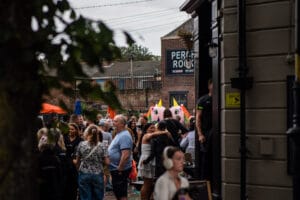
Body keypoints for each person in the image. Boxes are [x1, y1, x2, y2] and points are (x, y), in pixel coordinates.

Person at [74, 125, 109, 200]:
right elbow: (107, 162)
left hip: (84, 173)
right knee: (98, 197)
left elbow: (77, 161)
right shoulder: (102, 146)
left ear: (87, 133)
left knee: (85, 196)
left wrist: (78, 169)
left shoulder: (81, 144)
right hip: (98, 174)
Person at [137, 122, 170, 200]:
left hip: (150, 160)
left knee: (150, 183)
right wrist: (165, 131)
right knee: (147, 184)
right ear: (146, 130)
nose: (153, 129)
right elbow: (152, 135)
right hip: (146, 160)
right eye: (151, 128)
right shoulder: (146, 135)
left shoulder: (153, 138)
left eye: (153, 128)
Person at [108, 114, 133, 200]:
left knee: (121, 193)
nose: (113, 123)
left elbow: (125, 154)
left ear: (122, 124)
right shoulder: (119, 134)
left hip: (120, 169)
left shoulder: (124, 136)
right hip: (116, 168)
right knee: (118, 192)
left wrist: (120, 168)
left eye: (115, 121)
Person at [196, 78, 213, 180]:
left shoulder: (220, 98)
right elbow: (198, 117)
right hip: (206, 134)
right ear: (209, 86)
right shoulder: (202, 100)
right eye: (213, 84)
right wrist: (200, 134)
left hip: (216, 133)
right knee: (206, 159)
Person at [64, 123, 83, 200]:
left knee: (74, 185)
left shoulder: (80, 140)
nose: (70, 130)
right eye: (69, 129)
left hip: (75, 165)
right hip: (66, 164)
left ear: (76, 130)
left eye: (72, 129)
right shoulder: (64, 138)